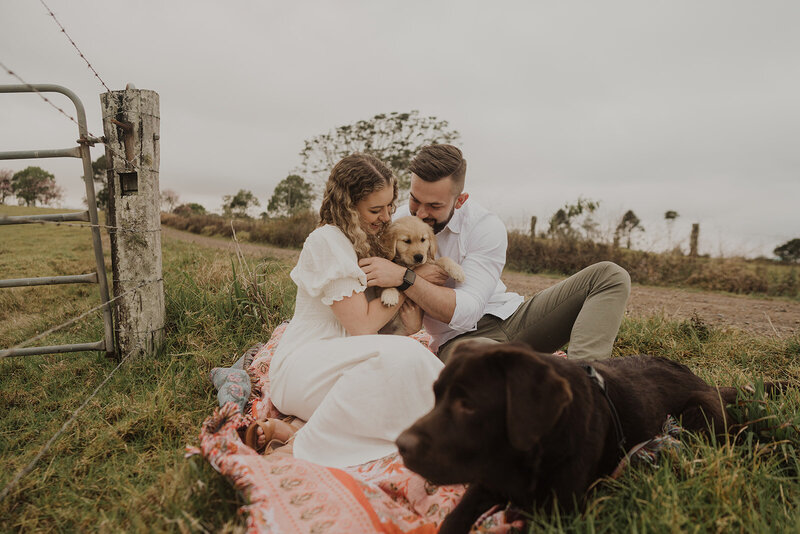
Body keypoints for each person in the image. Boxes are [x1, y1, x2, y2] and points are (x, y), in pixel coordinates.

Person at [359, 144, 631, 363]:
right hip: (461, 343)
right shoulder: (396, 224)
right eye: (415, 199)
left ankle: (586, 379)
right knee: (484, 365)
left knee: (610, 275)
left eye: (434, 205)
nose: (420, 212)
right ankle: (541, 377)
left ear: (460, 200)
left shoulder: (484, 226)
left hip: (516, 319)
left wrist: (406, 278)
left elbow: (467, 311)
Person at [266, 153, 444, 469]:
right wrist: (407, 282)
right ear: (348, 206)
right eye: (375, 210)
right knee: (405, 356)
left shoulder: (362, 241)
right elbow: (362, 327)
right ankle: (304, 444)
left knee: (404, 374)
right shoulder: (327, 241)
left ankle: (300, 429)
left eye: (390, 206)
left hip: (341, 362)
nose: (386, 217)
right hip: (306, 363)